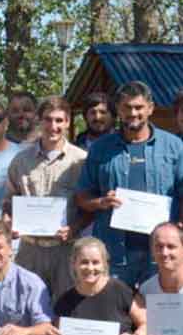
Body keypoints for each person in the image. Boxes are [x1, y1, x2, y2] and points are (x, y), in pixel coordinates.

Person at [76, 81, 183, 288]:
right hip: (114, 254)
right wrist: (101, 202)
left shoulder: (174, 147)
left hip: (161, 256)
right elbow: (82, 196)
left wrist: (179, 226)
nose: (133, 113)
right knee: (115, 316)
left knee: (159, 317)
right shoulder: (100, 149)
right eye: (127, 107)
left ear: (150, 108)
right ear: (118, 109)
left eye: (139, 107)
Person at [4, 97, 88, 302]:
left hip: (66, 249)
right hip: (29, 250)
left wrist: (74, 228)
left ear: (68, 122)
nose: (53, 126)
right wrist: (9, 225)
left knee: (66, 308)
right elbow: (8, 202)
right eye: (48, 120)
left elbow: (89, 208)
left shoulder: (82, 160)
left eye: (59, 120)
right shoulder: (20, 161)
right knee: (25, 307)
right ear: (39, 122)